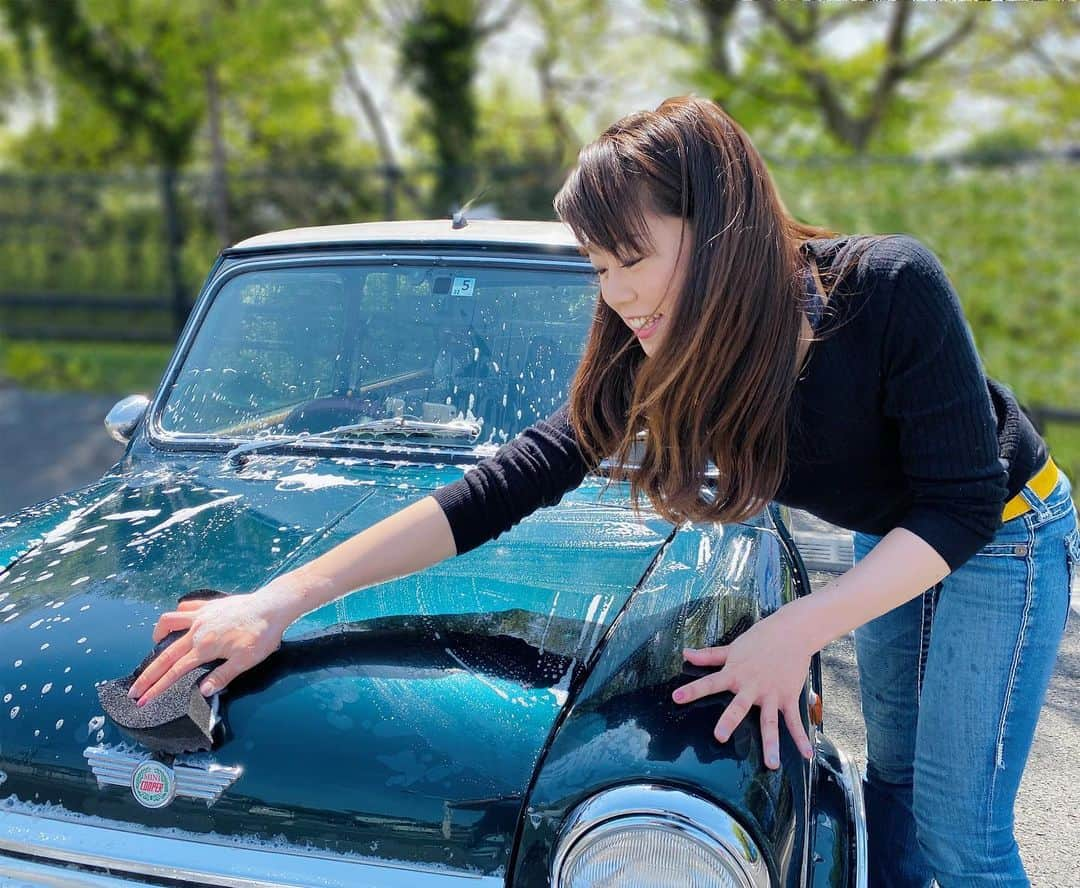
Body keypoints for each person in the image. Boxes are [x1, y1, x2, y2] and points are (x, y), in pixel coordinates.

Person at [127, 96, 1076, 887]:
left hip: (1006, 528)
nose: (617, 293)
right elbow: (507, 484)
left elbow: (960, 505)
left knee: (961, 831)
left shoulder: (889, 285)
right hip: (895, 537)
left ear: (719, 225)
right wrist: (277, 601)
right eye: (597, 267)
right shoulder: (649, 335)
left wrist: (795, 628)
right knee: (896, 791)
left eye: (633, 256)